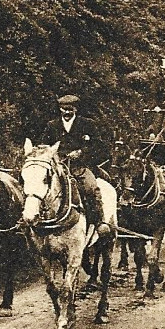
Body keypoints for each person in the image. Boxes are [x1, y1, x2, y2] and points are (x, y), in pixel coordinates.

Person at [40, 94, 110, 235]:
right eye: (63, 109)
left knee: (91, 187)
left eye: (69, 109)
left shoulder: (87, 124)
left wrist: (81, 152)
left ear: (75, 109)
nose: (66, 112)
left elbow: (98, 145)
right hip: (58, 166)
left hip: (80, 167)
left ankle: (99, 222)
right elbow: (44, 146)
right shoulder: (52, 125)